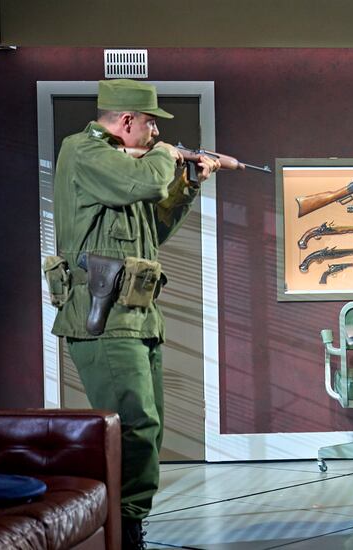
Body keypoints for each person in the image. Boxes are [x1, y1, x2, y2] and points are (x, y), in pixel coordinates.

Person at [49, 79, 219, 549]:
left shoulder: (121, 170)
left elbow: (152, 232)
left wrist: (187, 187)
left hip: (137, 313)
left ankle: (130, 521)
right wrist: (167, 155)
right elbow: (142, 181)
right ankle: (123, 530)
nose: (152, 134)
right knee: (132, 423)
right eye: (149, 125)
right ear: (126, 121)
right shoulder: (83, 151)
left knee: (146, 425)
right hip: (103, 314)